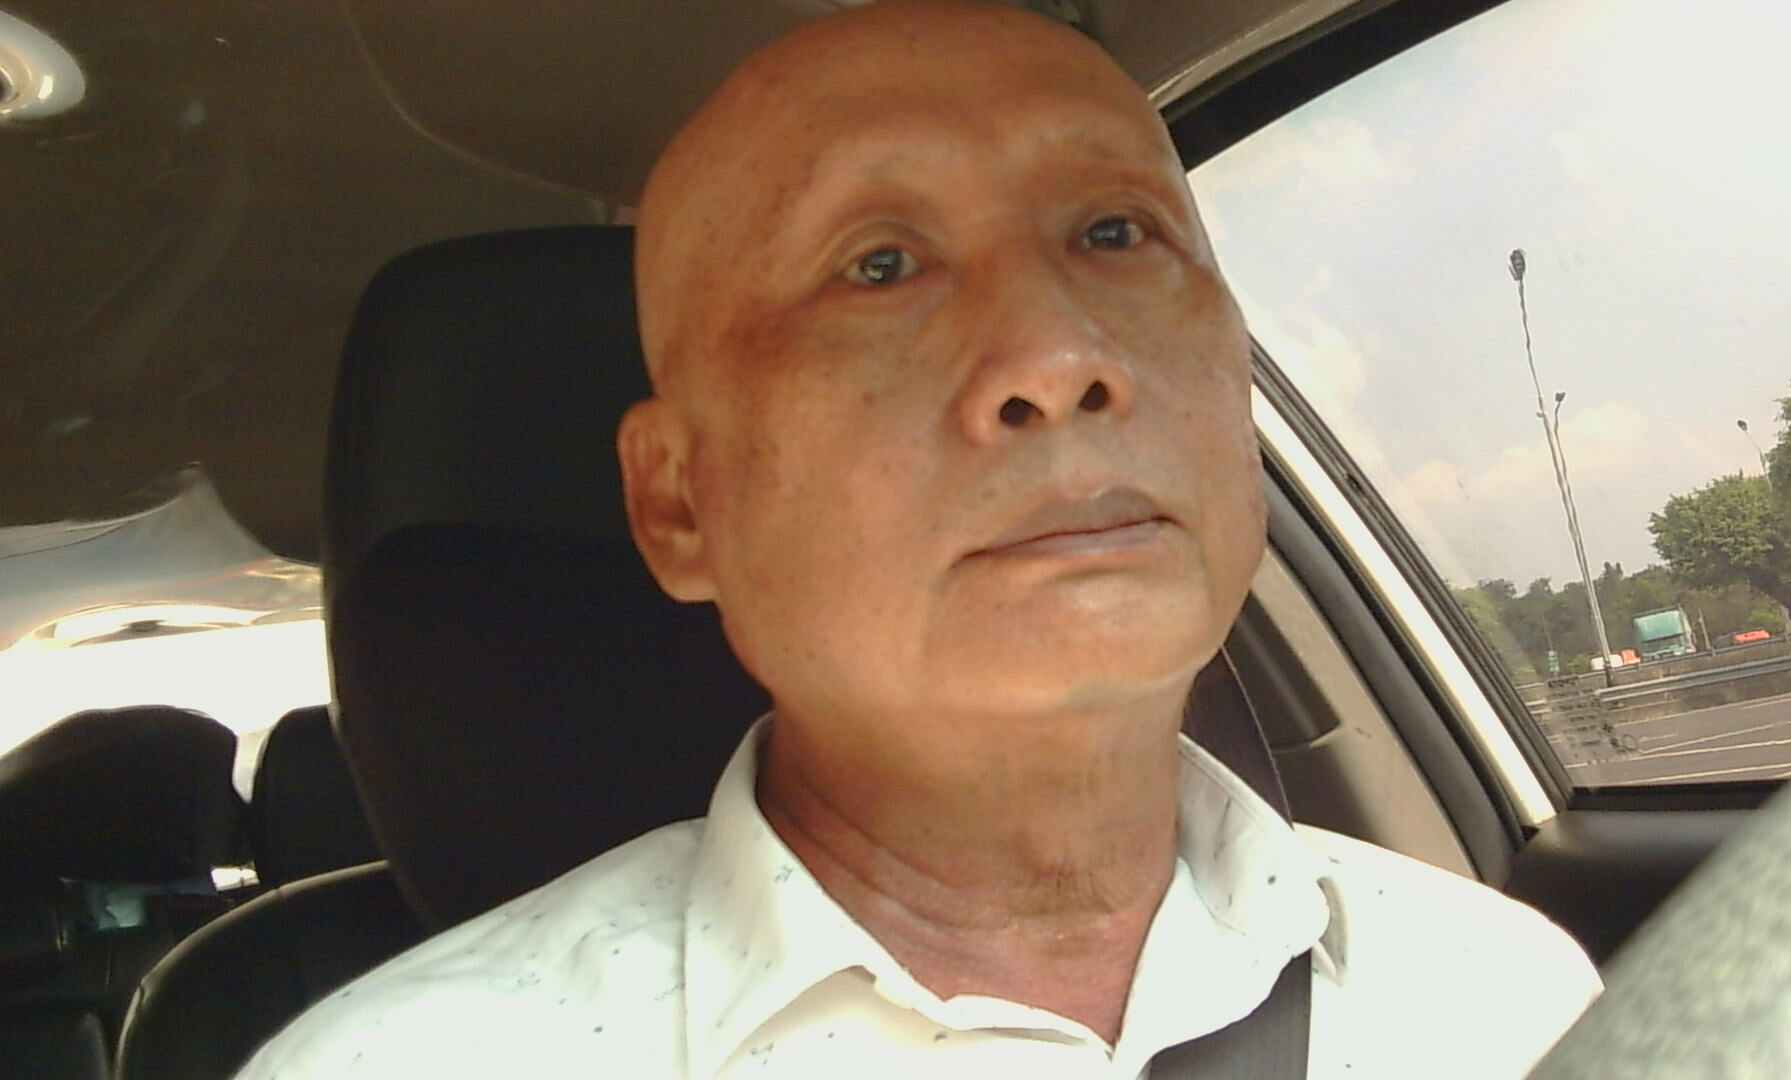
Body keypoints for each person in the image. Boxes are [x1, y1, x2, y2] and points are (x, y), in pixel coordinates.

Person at [236, 2, 1599, 1076]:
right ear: (679, 502)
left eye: (1115, 230)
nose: (1059, 357)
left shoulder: (1510, 1002)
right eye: (879, 265)